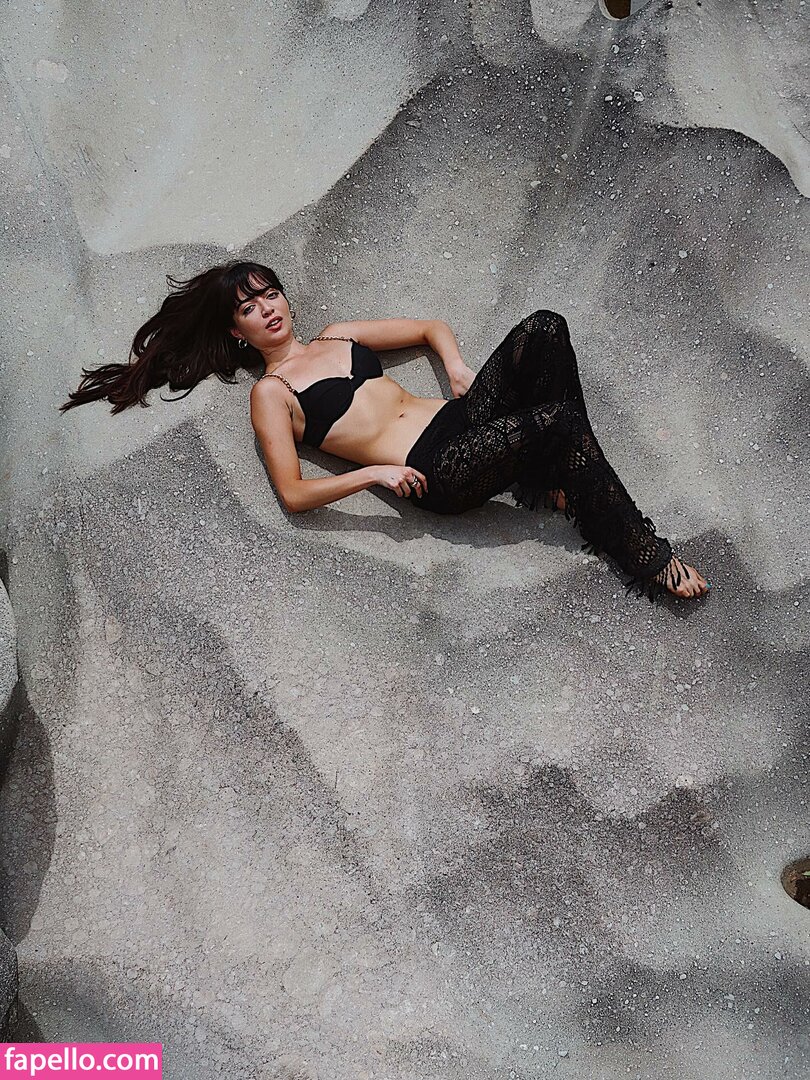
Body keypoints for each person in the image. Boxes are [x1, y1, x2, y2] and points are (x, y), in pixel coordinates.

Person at [61, 261, 710, 601]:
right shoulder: (272, 394)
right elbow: (293, 492)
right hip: (437, 472)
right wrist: (372, 474)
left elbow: (429, 327)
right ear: (237, 332)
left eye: (271, 294)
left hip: (461, 421)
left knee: (545, 327)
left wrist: (455, 367)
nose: (268, 310)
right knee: (558, 421)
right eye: (249, 309)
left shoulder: (339, 335)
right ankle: (637, 548)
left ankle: (555, 480)